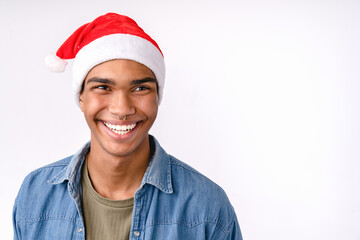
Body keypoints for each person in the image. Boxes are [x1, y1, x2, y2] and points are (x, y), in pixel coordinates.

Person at [12, 13, 242, 240]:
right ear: (81, 97)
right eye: (103, 87)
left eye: (140, 88)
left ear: (157, 97)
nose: (122, 109)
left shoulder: (208, 207)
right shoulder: (35, 193)